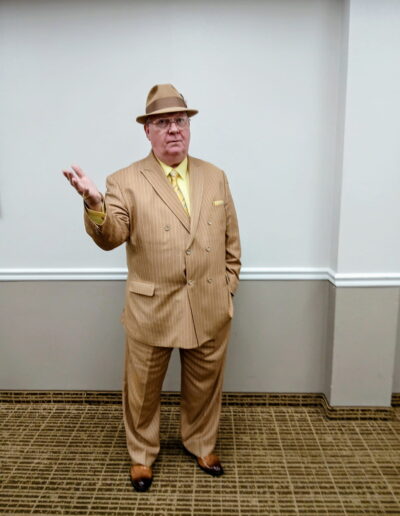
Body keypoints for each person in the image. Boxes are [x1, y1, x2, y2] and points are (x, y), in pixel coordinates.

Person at [63, 84, 241, 492]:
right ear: (148, 131)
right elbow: (111, 236)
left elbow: (232, 240)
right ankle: (142, 456)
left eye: (180, 121)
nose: (174, 129)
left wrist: (227, 288)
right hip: (152, 307)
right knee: (142, 390)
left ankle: (201, 444)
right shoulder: (124, 180)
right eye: (163, 123)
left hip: (209, 304)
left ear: (188, 127)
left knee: (205, 385)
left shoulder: (215, 176)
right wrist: (94, 204)